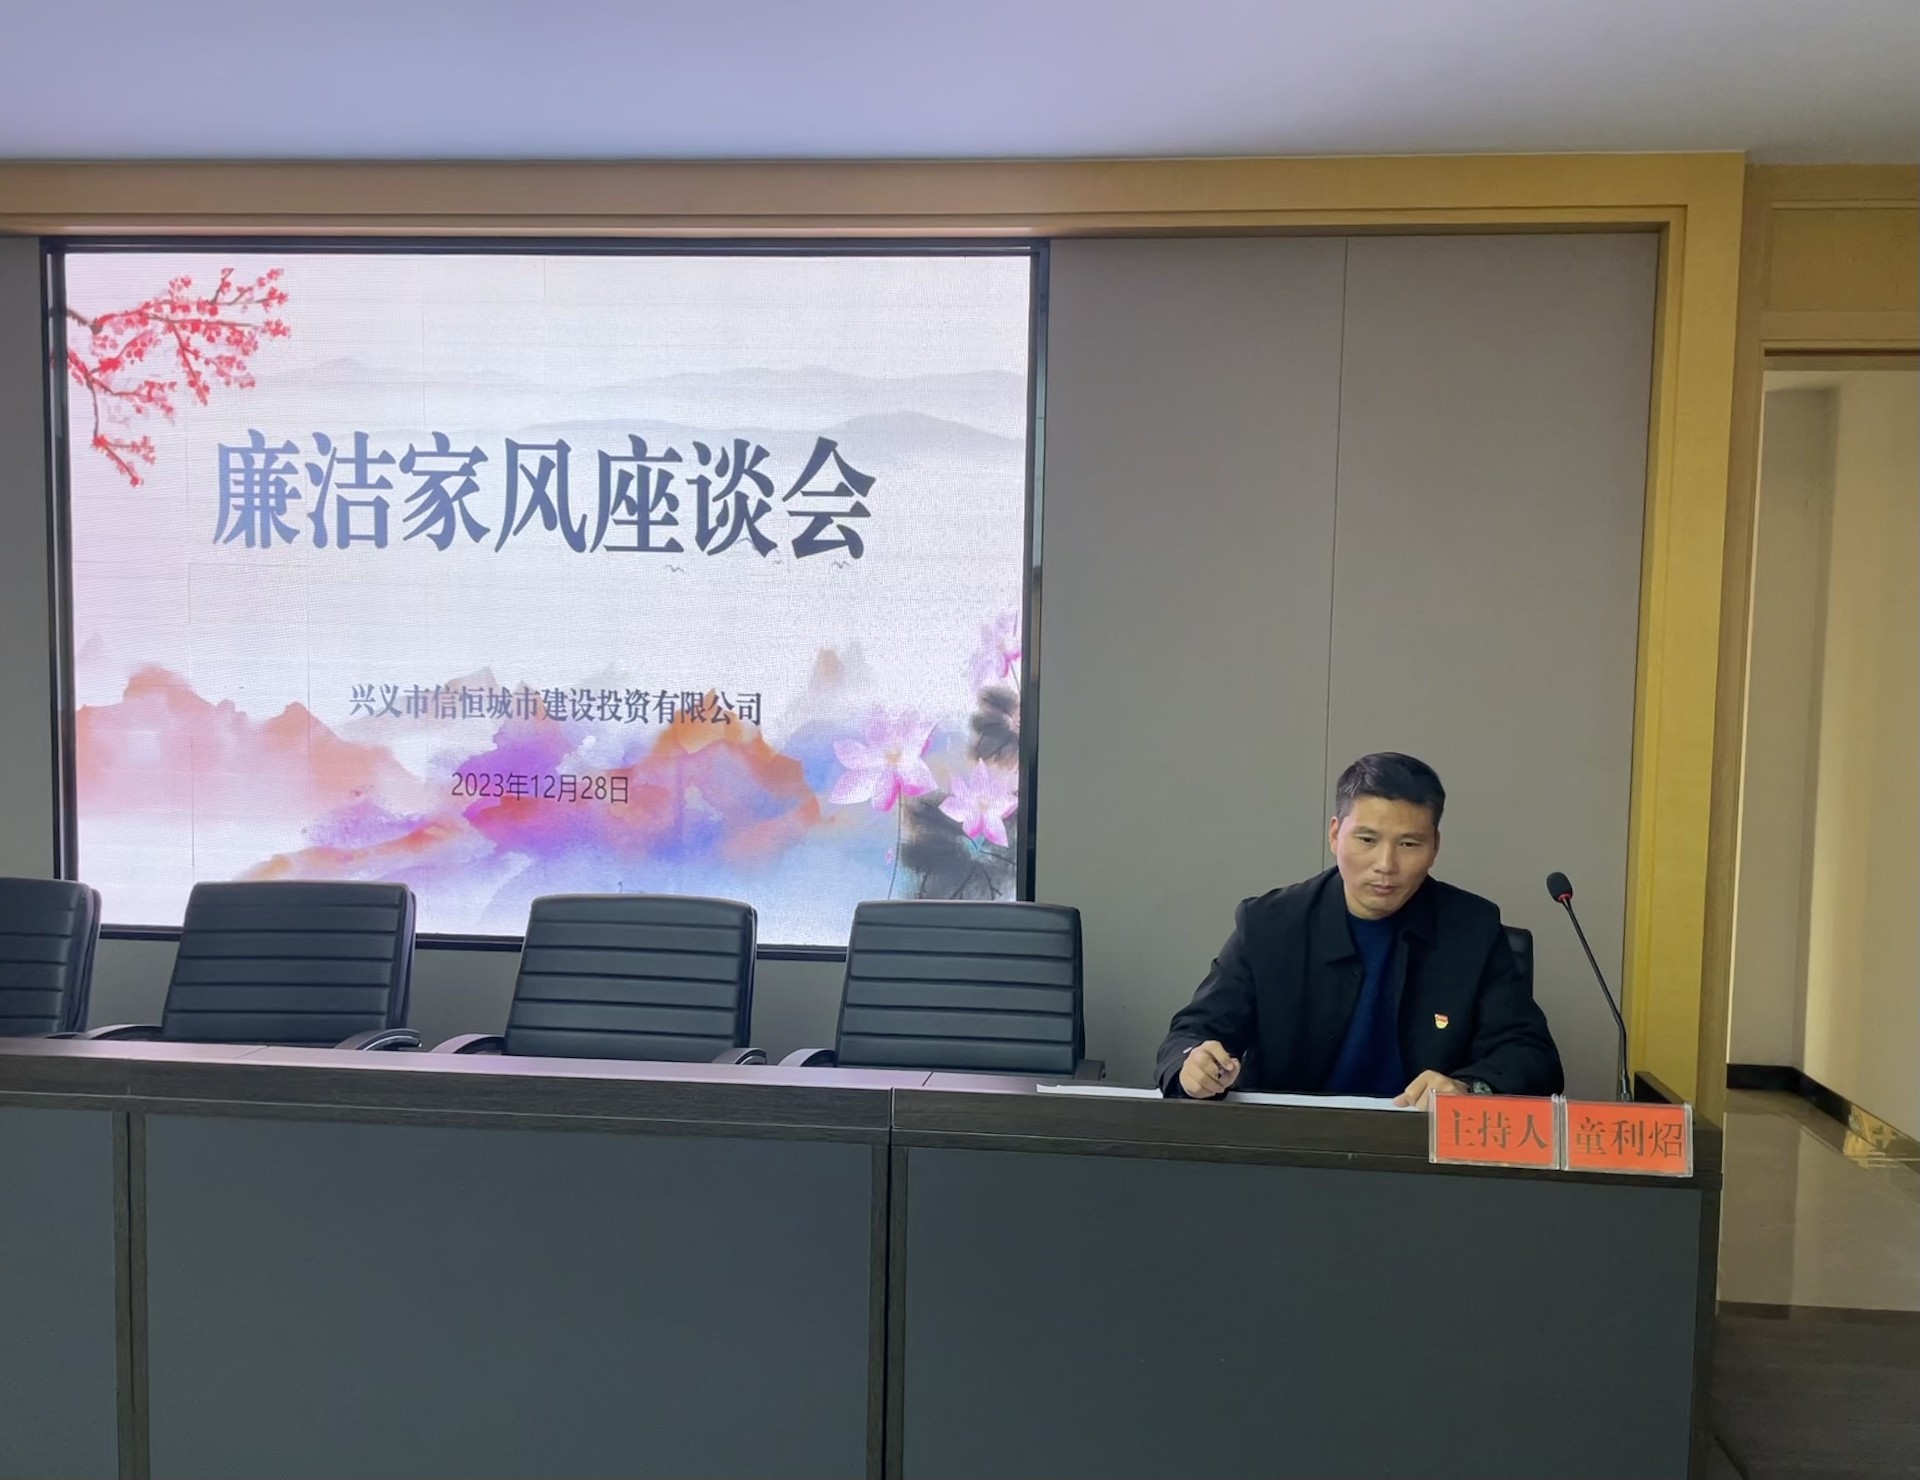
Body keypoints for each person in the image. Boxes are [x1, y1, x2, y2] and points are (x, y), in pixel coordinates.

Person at [1155, 752, 1562, 1107]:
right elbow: (1190, 1035)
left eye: (1409, 844)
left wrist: (1470, 1089)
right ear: (1335, 834)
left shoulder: (1472, 929)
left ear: (1435, 847)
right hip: (1291, 1145)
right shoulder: (1269, 925)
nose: (1385, 864)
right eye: (1367, 839)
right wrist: (1194, 1065)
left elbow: (1530, 1055)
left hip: (1421, 1148)